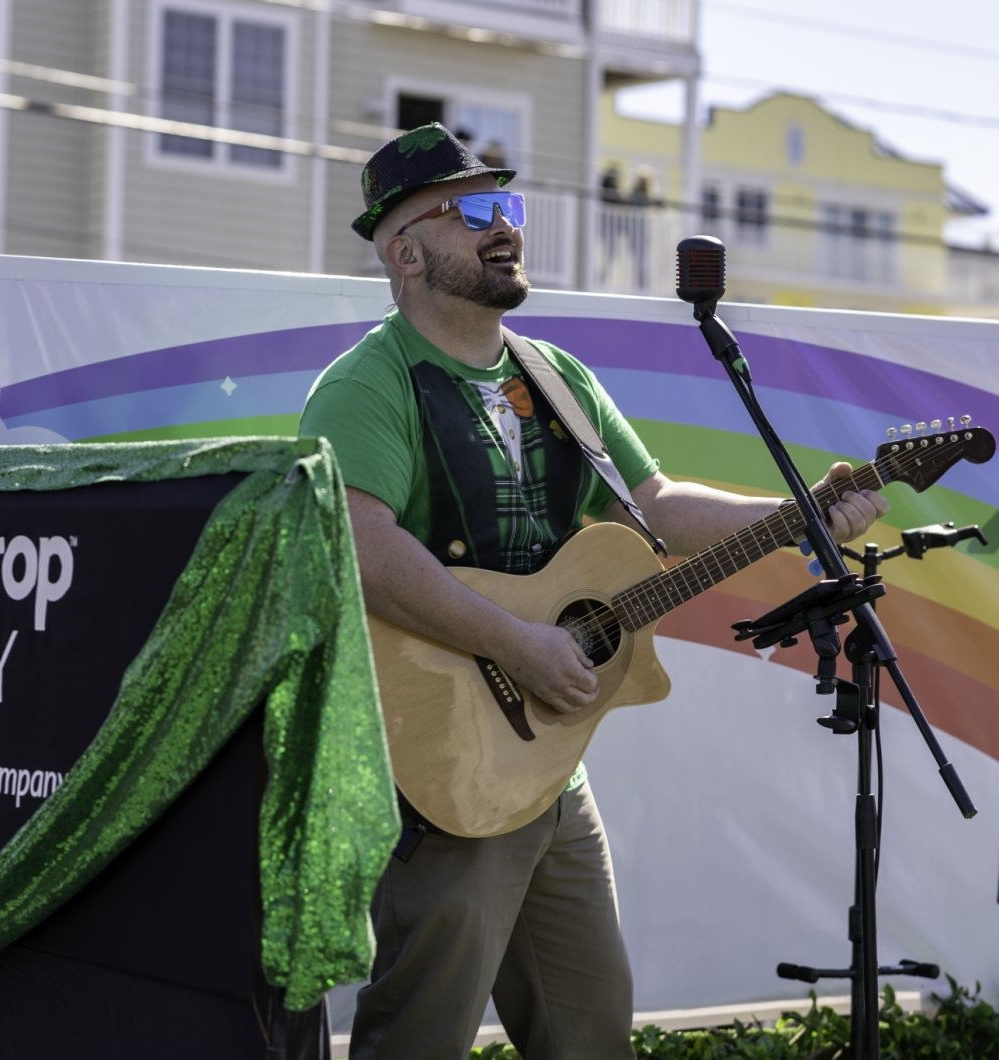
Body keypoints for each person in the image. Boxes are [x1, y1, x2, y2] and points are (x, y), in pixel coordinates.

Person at [299, 122, 889, 1060]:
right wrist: (514, 641)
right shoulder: (370, 385)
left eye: (509, 206)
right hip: (439, 764)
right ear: (404, 253)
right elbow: (361, 546)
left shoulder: (556, 376)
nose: (505, 228)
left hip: (546, 766)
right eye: (474, 211)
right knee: (421, 1036)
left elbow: (655, 503)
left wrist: (806, 510)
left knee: (590, 1031)